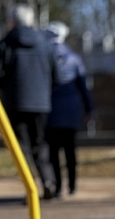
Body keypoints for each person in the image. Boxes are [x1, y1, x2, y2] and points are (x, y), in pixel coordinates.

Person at [0, 4, 59, 200]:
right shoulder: (45, 43)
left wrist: (7, 86)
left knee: (22, 146)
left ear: (13, 21)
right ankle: (48, 181)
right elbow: (57, 75)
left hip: (15, 101)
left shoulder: (6, 43)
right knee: (40, 143)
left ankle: (30, 188)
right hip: (41, 103)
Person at [44, 22, 93, 198]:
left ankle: (57, 186)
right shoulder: (74, 58)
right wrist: (89, 110)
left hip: (50, 111)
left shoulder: (44, 56)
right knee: (70, 150)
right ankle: (72, 185)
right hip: (72, 111)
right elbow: (83, 87)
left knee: (53, 152)